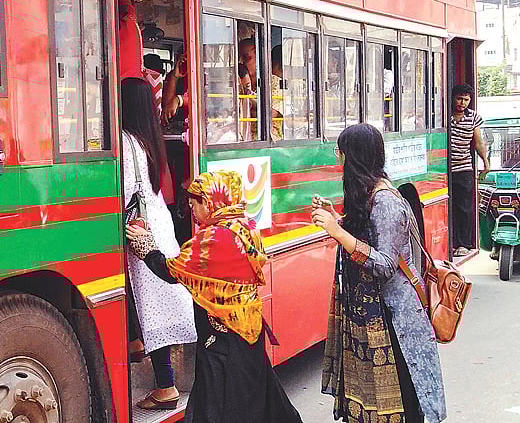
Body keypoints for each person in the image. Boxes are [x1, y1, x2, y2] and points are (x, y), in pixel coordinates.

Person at [126, 170, 303, 422]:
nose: (191, 210)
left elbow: (172, 271)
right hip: (247, 329)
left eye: (194, 204)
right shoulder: (245, 225)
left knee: (221, 407)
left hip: (222, 338)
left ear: (208, 203)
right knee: (254, 398)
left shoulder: (215, 239)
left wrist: (146, 246)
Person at [311, 124, 446, 423]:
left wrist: (336, 232)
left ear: (354, 158)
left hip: (394, 318)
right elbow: (370, 237)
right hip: (377, 314)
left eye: (341, 154)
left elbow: (384, 264)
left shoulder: (386, 201)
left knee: (403, 398)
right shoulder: (369, 195)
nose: (338, 161)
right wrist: (339, 220)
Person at [121, 78, 197, 410]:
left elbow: (123, 193)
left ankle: (165, 386)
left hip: (141, 228)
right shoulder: (149, 139)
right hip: (159, 221)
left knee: (150, 299)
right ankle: (135, 342)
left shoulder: (124, 142)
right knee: (149, 294)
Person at [449, 84, 489, 257]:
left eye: (466, 100)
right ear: (453, 98)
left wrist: (485, 163)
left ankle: (463, 244)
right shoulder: (444, 116)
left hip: (464, 168)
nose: (462, 103)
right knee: (448, 207)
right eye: (459, 98)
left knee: (463, 208)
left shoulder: (474, 118)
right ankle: (450, 242)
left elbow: (478, 143)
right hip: (443, 169)